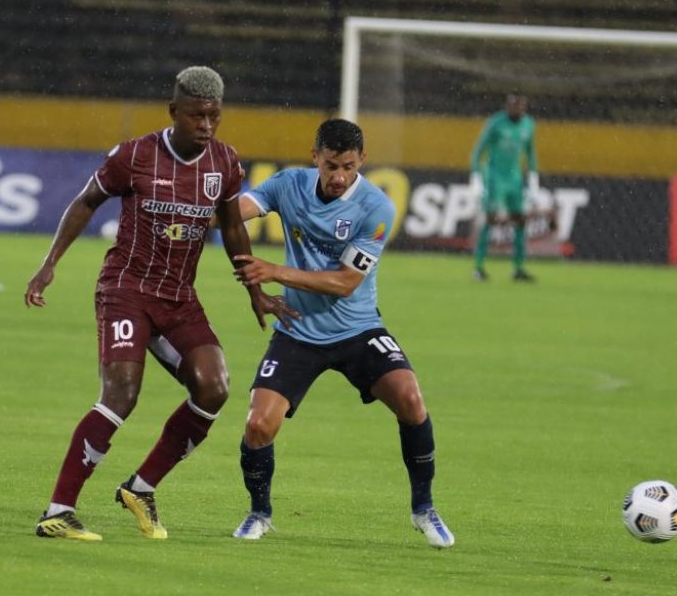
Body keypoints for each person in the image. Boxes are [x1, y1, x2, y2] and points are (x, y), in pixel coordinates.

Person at [24, 66, 296, 542]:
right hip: (127, 290)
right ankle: (58, 510)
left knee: (214, 387)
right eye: (197, 116)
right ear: (174, 111)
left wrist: (253, 289)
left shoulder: (225, 163)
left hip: (179, 299)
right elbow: (87, 201)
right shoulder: (136, 156)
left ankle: (141, 487)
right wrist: (50, 264)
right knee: (121, 395)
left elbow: (232, 226)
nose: (206, 125)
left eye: (214, 116)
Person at [228, 119, 455, 548]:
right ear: (315, 156)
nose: (338, 176)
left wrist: (274, 270)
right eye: (330, 165)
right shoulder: (287, 184)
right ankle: (259, 512)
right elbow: (235, 212)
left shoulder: (376, 208)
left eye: (348, 166)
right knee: (259, 425)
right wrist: (208, 203)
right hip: (297, 328)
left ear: (362, 161)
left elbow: (345, 282)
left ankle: (424, 508)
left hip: (358, 328)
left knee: (410, 399)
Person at [469, 93, 539, 282]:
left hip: (515, 179)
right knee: (490, 219)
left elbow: (530, 152)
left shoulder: (528, 125)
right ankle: (479, 268)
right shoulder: (496, 123)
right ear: (507, 106)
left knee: (520, 220)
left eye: (520, 105)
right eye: (513, 105)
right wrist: (476, 177)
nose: (517, 108)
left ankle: (518, 268)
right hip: (495, 178)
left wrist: (533, 178)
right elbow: (478, 151)